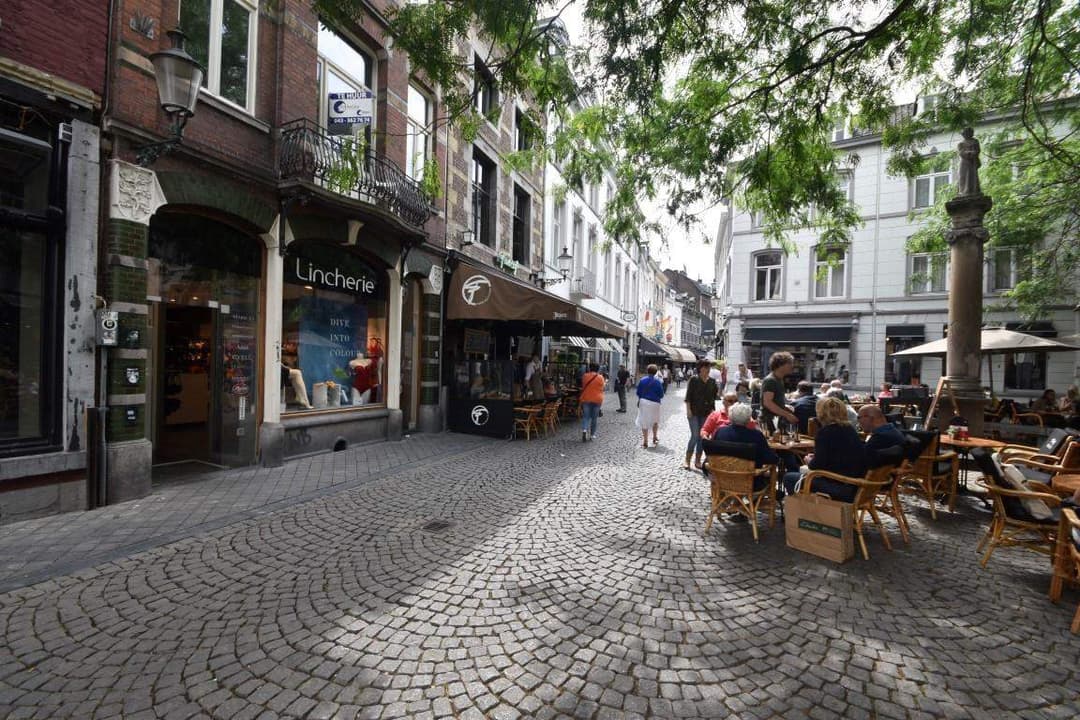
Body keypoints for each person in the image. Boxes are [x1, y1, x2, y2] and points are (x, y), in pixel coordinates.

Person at [783, 396, 868, 502]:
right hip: (855, 485)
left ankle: (804, 510)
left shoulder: (825, 432)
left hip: (839, 486)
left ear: (821, 414)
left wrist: (809, 460)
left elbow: (816, 466)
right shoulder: (850, 429)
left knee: (789, 477)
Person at [702, 403, 779, 488]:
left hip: (722, 480)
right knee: (769, 473)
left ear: (730, 417)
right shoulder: (756, 435)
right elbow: (770, 459)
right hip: (750, 484)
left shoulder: (720, 432)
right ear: (748, 419)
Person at [684, 360, 719, 470]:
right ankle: (687, 460)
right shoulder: (694, 380)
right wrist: (688, 410)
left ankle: (698, 460)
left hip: (706, 413)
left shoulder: (712, 381)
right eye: (705, 367)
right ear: (700, 368)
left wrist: (713, 411)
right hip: (694, 412)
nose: (707, 370)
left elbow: (714, 398)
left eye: (708, 368)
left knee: (702, 436)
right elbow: (688, 396)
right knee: (695, 435)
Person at [760, 352, 798, 434]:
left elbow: (774, 400)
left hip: (777, 421)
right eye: (790, 363)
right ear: (781, 365)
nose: (792, 366)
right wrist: (787, 415)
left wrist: (784, 406)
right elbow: (767, 403)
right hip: (770, 421)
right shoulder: (770, 380)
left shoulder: (779, 379)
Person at [636, 363, 665, 448]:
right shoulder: (658, 382)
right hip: (655, 403)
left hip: (644, 402)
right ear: (656, 372)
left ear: (647, 371)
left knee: (644, 421)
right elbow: (661, 395)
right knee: (655, 420)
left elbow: (638, 392)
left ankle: (645, 441)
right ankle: (654, 437)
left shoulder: (642, 380)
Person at [579, 362, 605, 442]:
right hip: (597, 399)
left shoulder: (585, 376)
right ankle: (592, 435)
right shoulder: (600, 377)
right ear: (598, 369)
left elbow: (583, 385)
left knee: (586, 416)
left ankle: (584, 430)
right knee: (594, 418)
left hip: (586, 398)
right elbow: (602, 387)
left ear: (589, 368)